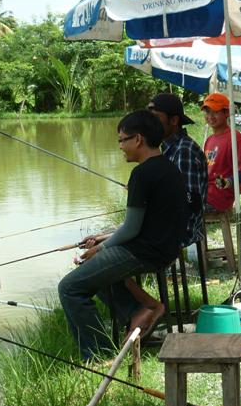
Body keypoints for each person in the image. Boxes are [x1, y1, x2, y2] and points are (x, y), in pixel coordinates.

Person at [58, 109, 187, 360]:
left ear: (138, 139)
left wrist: (101, 248)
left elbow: (131, 229)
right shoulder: (168, 168)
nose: (120, 147)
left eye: (122, 140)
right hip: (163, 248)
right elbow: (144, 223)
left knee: (70, 288)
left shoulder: (142, 174)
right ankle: (138, 311)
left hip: (144, 252)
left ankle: (97, 356)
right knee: (95, 269)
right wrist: (103, 240)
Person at [147, 93, 208, 247]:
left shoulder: (184, 150)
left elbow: (188, 204)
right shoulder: (170, 148)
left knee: (113, 248)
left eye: (155, 118)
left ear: (174, 120)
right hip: (169, 227)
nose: (150, 124)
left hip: (180, 232)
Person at [201, 93, 241, 212]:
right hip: (205, 192)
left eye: (215, 112)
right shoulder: (210, 140)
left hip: (219, 197)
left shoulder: (235, 138)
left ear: (227, 113)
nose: (210, 116)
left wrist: (228, 181)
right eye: (207, 112)